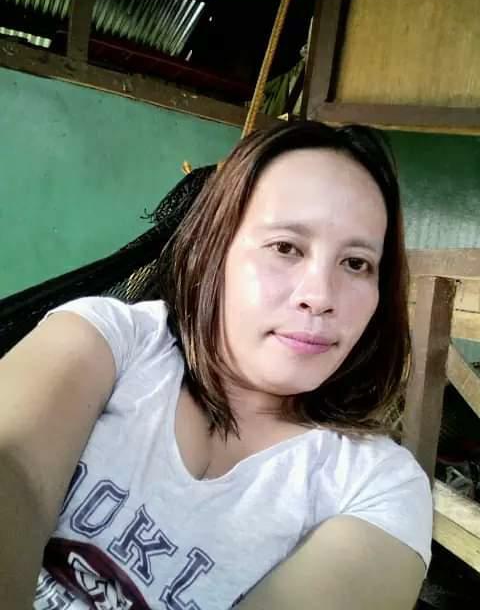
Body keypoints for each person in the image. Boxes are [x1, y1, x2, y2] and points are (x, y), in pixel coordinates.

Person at [0, 121, 432, 610]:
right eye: (286, 247)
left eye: (356, 263)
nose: (319, 296)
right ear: (214, 250)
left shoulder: (379, 488)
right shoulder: (110, 341)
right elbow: (15, 468)